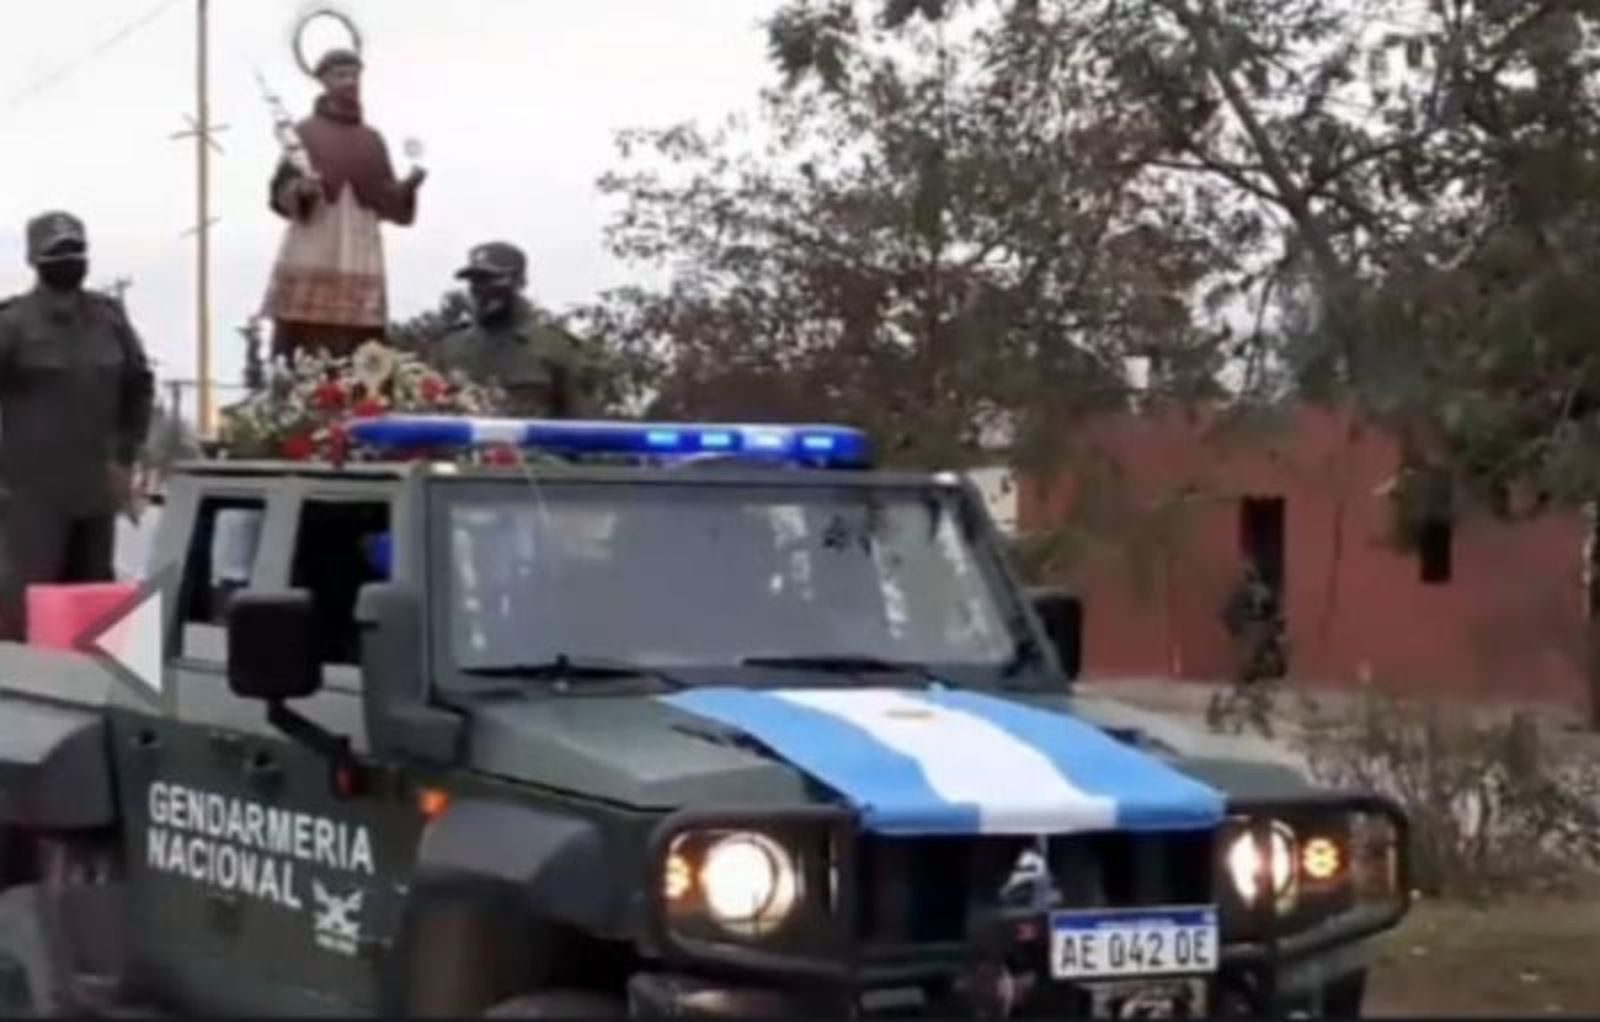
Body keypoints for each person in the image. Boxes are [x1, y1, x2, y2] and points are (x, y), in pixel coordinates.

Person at [0, 212, 155, 638]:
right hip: (30, 501)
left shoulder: (109, 319)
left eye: (76, 250)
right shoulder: (12, 324)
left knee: (93, 619)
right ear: (34, 259)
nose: (69, 260)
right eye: (58, 252)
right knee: (25, 618)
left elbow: (138, 387)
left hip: (95, 495)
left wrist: (125, 456)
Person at [260, 48, 426, 362]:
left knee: (360, 345)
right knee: (305, 339)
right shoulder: (305, 132)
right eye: (340, 76)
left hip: (360, 250)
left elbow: (389, 202)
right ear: (323, 81)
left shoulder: (371, 140)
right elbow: (280, 191)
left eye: (354, 75)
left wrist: (409, 187)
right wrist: (301, 190)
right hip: (316, 242)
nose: (349, 82)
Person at [429, 242, 596, 417]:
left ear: (520, 282)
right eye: (475, 280)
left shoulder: (555, 347)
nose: (482, 289)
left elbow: (583, 424)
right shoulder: (449, 347)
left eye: (492, 279)